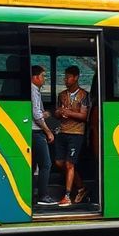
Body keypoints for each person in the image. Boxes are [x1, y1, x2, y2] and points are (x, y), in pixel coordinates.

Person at [54, 65, 91, 206]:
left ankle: (67, 196)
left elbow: (83, 115)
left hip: (76, 133)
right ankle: (81, 187)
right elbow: (57, 112)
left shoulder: (84, 95)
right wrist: (60, 113)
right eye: (65, 77)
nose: (66, 80)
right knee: (59, 162)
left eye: (68, 77)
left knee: (70, 163)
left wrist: (69, 113)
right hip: (62, 131)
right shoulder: (61, 95)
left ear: (76, 78)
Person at [31, 65, 56, 206]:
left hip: (33, 132)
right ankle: (43, 195)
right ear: (35, 77)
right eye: (43, 76)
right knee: (46, 164)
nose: (44, 79)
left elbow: (38, 113)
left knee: (33, 165)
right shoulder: (33, 91)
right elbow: (36, 116)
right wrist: (48, 131)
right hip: (36, 133)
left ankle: (32, 194)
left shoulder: (35, 91)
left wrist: (43, 114)